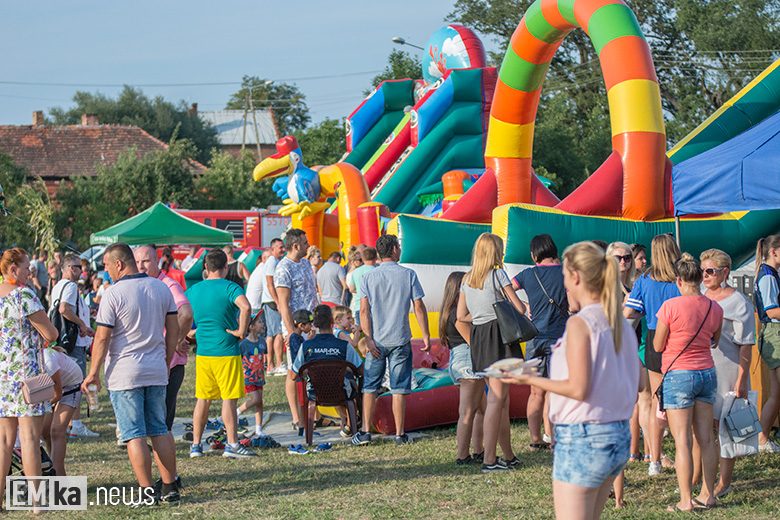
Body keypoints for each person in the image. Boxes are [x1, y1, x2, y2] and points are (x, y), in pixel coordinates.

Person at [501, 241, 644, 520]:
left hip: (583, 438)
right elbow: (638, 384)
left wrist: (529, 378)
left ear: (576, 277)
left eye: (566, 278)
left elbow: (577, 388)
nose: (565, 287)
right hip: (616, 438)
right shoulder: (620, 324)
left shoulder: (581, 324)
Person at [82, 242, 181, 505]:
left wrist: (93, 373)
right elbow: (173, 329)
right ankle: (170, 487)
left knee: (134, 434)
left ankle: (146, 491)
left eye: (105, 265)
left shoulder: (113, 294)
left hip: (125, 374)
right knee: (160, 428)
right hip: (155, 369)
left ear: (118, 263)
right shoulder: (161, 287)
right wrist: (167, 358)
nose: (105, 271)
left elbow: (102, 338)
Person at [654, 253, 723, 512]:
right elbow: (714, 340)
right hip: (707, 372)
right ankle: (708, 494)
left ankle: (685, 500)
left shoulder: (670, 306)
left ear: (679, 280)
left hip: (678, 375)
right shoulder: (715, 307)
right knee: (706, 438)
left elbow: (658, 345)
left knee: (682, 440)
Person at [353, 234, 430, 447]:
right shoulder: (408, 274)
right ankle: (400, 433)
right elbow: (419, 307)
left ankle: (365, 431)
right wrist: (425, 334)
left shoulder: (368, 277)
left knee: (370, 386)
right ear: (395, 249)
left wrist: (368, 339)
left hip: (376, 340)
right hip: (400, 339)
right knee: (399, 387)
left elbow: (364, 310)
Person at [457, 233, 525, 472]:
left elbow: (460, 316)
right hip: (499, 337)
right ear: (494, 252)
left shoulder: (467, 279)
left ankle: (508, 455)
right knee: (497, 400)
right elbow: (517, 306)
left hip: (479, 337)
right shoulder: (498, 275)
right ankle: (489, 459)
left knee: (501, 400)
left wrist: (480, 315)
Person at [0, 248, 59, 511]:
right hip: (26, 377)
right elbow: (51, 332)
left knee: (3, 442)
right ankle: (37, 502)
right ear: (13, 269)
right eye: (26, 268)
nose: (30, 272)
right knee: (30, 439)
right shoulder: (23, 295)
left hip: (3, 377)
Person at [185, 248, 256, 459]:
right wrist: (241, 332)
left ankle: (196, 446)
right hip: (226, 349)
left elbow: (181, 312)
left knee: (203, 400)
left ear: (205, 268)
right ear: (226, 267)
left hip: (203, 352)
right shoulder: (230, 287)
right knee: (229, 399)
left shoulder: (194, 290)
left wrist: (188, 334)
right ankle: (232, 445)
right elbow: (246, 307)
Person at [624, 233, 681, 475]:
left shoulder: (644, 280)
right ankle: (685, 454)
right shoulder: (682, 278)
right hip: (682, 340)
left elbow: (629, 313)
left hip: (654, 341)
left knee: (658, 402)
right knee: (683, 403)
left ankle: (654, 460)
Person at [700, 248, 755, 498]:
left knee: (726, 428)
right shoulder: (699, 296)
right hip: (703, 368)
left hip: (729, 369)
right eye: (703, 271)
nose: (705, 276)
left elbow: (746, 344)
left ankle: (724, 482)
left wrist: (742, 378)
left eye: (710, 271)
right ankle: (704, 480)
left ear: (725, 272)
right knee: (705, 426)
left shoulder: (738, 302)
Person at [511, 234, 567, 451]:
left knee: (536, 392)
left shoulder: (527, 274)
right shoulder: (565, 273)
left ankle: (535, 439)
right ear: (554, 251)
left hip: (534, 339)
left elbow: (504, 289)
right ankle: (554, 439)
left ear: (534, 255)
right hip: (558, 339)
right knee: (555, 390)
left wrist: (523, 306)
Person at [134, 245, 194, 434]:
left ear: (157, 261)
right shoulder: (139, 284)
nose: (141, 266)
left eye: (145, 261)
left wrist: (176, 340)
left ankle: (161, 456)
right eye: (137, 262)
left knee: (161, 420)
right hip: (148, 360)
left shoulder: (168, 285)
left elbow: (186, 314)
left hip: (168, 362)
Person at [291, 305, 363, 435]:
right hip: (342, 391)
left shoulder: (306, 346)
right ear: (332, 322)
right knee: (351, 385)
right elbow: (361, 371)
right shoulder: (344, 345)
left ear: (315, 324)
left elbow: (293, 375)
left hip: (315, 393)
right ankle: (355, 421)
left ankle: (350, 422)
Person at [275, 229, 319, 432]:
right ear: (296, 246)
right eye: (305, 242)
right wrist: (292, 331)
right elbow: (283, 304)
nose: (308, 245)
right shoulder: (284, 268)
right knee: (295, 371)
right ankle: (297, 418)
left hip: (312, 325)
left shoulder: (306, 264)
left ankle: (316, 415)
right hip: (296, 328)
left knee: (314, 369)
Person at [50, 253, 98, 439]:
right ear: (71, 268)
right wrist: (82, 324)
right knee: (76, 384)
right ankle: (75, 425)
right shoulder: (70, 286)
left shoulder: (58, 286)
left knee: (65, 383)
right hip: (73, 342)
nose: (82, 271)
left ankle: (69, 423)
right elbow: (64, 309)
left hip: (62, 341)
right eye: (79, 267)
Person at [440, 271, 485, 465]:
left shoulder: (448, 313)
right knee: (467, 412)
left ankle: (479, 450)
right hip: (468, 361)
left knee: (481, 409)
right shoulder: (460, 316)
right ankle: (463, 455)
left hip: (458, 361)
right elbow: (473, 342)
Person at [753, 235, 780, 452]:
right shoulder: (768, 276)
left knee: (776, 392)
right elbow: (771, 311)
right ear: (774, 252)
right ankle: (761, 437)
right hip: (774, 332)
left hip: (772, 332)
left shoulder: (769, 274)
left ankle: (762, 437)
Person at [42, 345, 83, 477]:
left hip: (71, 385)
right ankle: (60, 475)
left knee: (56, 431)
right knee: (45, 432)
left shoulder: (47, 360)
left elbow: (57, 394)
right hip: (50, 388)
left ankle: (56, 478)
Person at [238, 312, 267, 438]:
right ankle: (236, 412)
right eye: (260, 322)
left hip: (259, 378)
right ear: (251, 327)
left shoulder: (262, 342)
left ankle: (258, 429)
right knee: (255, 399)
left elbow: (263, 357)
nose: (263, 324)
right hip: (248, 378)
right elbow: (238, 360)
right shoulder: (243, 344)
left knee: (259, 403)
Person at [287, 309, 314, 432]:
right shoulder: (294, 338)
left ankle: (304, 425)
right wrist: (309, 341)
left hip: (304, 374)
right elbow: (300, 354)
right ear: (301, 325)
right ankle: (302, 425)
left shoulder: (299, 337)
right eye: (309, 324)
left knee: (304, 399)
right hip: (299, 374)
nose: (311, 326)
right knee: (302, 400)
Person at [262, 238, 286, 374]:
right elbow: (270, 283)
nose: (283, 250)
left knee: (271, 335)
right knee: (278, 333)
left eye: (283, 247)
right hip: (272, 301)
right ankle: (278, 364)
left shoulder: (275, 261)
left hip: (270, 300)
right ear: (272, 249)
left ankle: (270, 366)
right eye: (280, 247)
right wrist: (278, 302)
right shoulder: (272, 261)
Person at [348, 246, 377, 333]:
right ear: (376, 258)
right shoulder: (377, 271)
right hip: (373, 307)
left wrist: (361, 290)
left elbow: (351, 289)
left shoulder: (356, 272)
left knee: (361, 334)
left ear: (363, 258)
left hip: (358, 306)